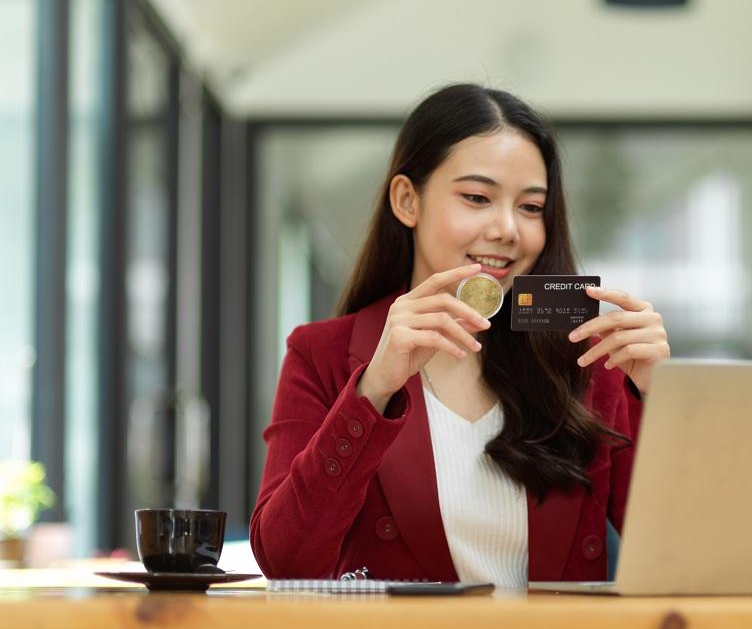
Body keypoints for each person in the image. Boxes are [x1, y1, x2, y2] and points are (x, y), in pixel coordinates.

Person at [250, 84, 671, 586]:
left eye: (531, 207)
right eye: (477, 197)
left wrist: (664, 397)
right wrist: (373, 391)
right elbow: (286, 560)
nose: (507, 229)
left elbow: (683, 554)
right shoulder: (323, 354)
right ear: (408, 201)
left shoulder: (585, 359)